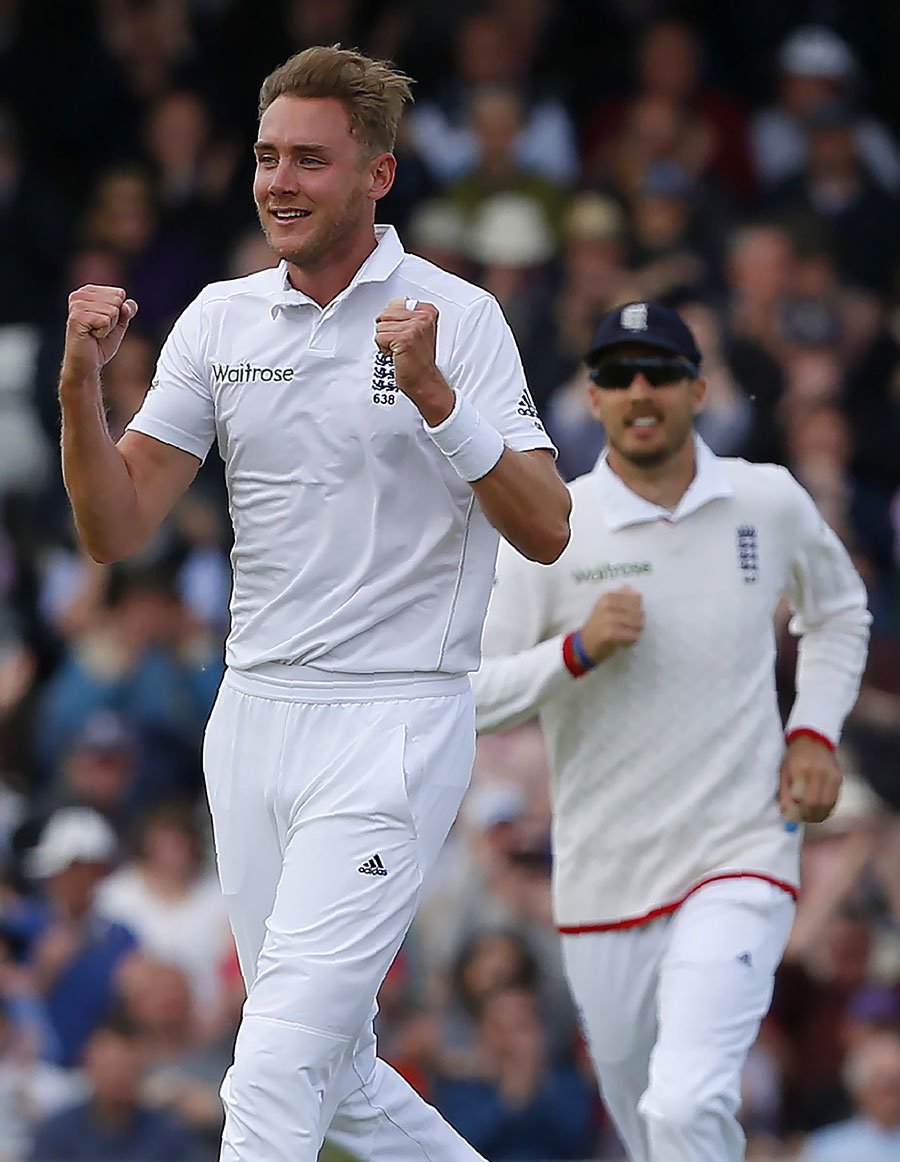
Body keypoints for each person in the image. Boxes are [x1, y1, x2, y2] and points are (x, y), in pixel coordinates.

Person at [57, 43, 570, 1162]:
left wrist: (438, 397)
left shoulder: (459, 317)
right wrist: (79, 390)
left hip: (394, 719)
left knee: (275, 1067)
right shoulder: (220, 320)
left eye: (310, 161)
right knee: (329, 1070)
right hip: (252, 717)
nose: (279, 182)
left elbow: (546, 524)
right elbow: (115, 528)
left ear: (378, 175)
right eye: (265, 157)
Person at [471, 299, 870, 1162]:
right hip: (602, 880)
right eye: (618, 375)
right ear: (593, 397)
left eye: (659, 373)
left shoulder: (768, 498)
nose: (639, 390)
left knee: (689, 1109)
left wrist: (813, 734)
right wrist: (574, 653)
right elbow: (466, 694)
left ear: (697, 389)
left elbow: (838, 614)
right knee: (652, 1126)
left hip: (741, 855)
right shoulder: (552, 528)